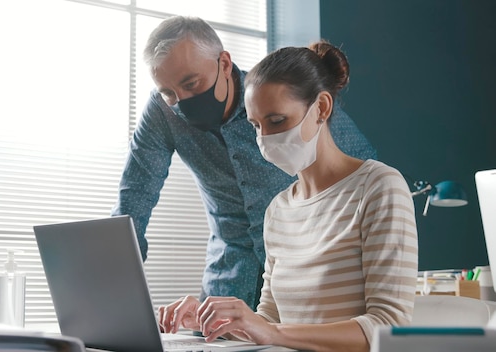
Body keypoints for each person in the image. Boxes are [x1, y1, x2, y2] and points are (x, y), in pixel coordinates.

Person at [157, 41, 418, 352]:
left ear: (321, 108)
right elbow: (268, 321)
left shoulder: (378, 187)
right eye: (256, 125)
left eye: (277, 121)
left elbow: (387, 327)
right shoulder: (279, 209)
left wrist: (272, 333)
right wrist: (209, 323)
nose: (265, 139)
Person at [111, 16, 377, 310]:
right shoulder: (163, 112)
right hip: (225, 287)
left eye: (191, 83)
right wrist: (115, 276)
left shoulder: (278, 98)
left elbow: (360, 175)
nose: (181, 101)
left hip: (304, 282)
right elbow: (136, 191)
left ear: (224, 64)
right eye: (169, 92)